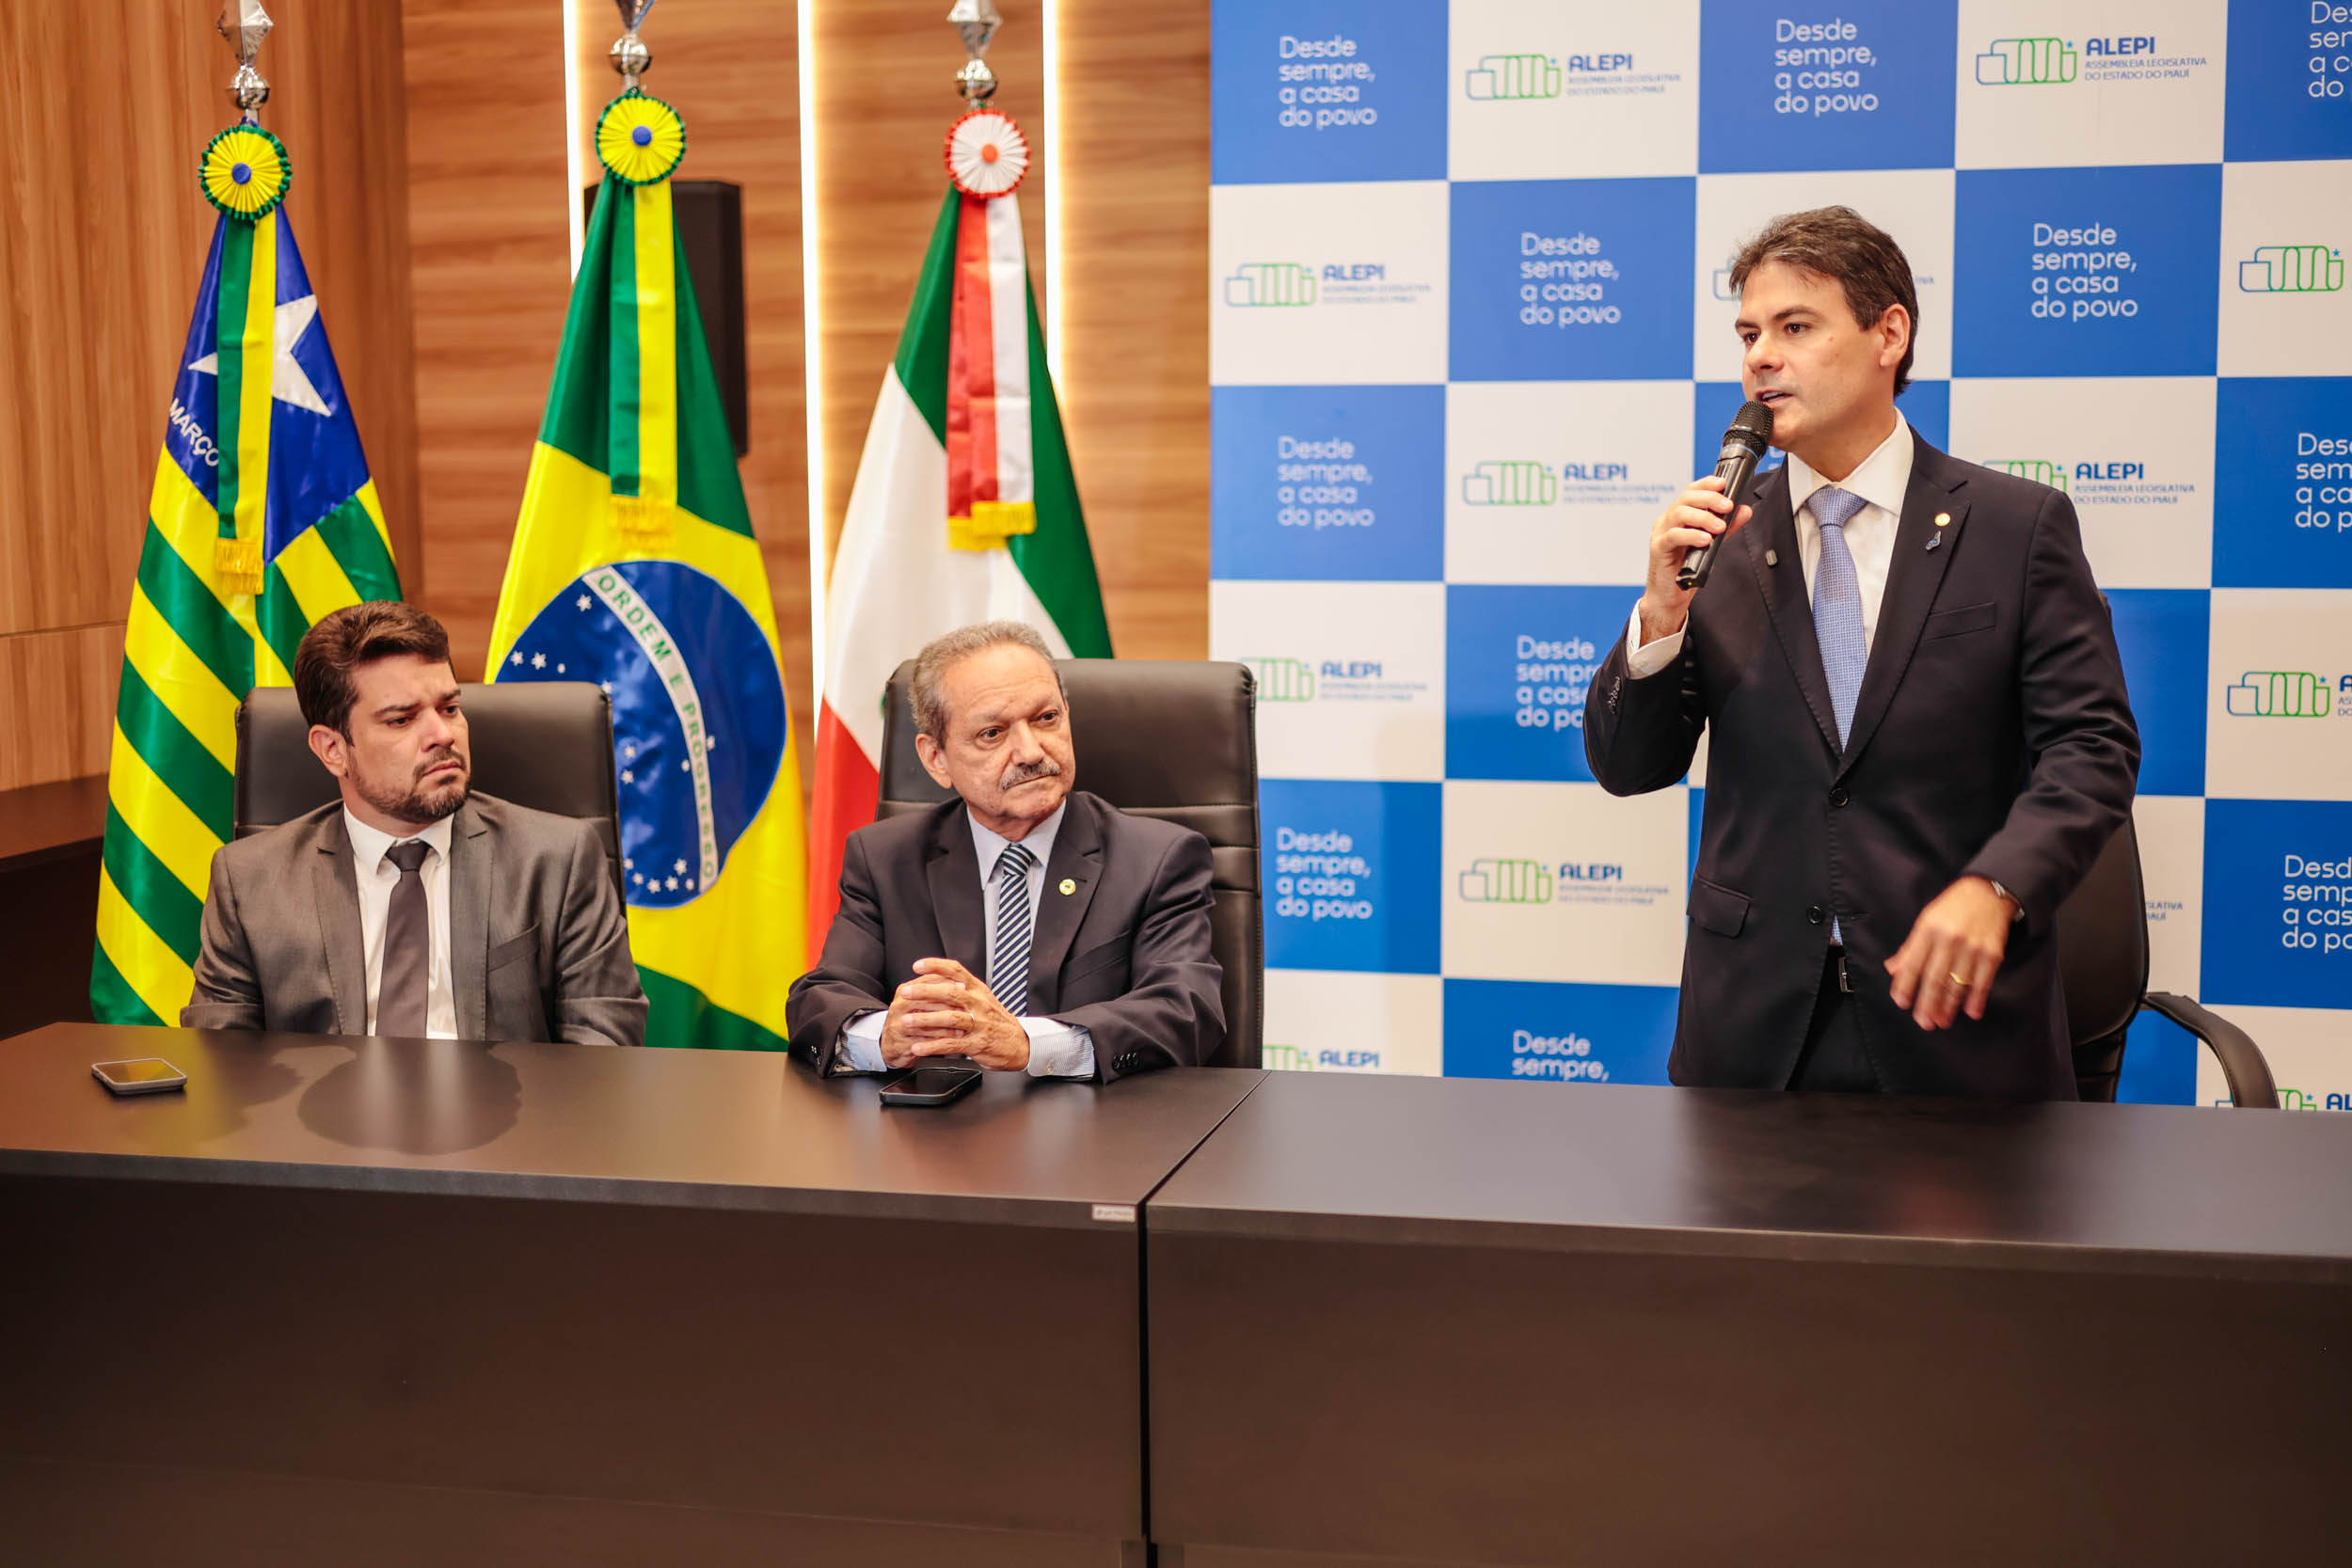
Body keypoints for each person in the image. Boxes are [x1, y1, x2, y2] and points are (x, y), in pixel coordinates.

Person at [1583, 206, 2138, 1099]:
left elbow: (2092, 749)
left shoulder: (2015, 527)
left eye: (1796, 327)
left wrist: (1996, 886)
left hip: (1957, 1030)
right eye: (1749, 334)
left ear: (1890, 334)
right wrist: (1659, 613)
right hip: (1752, 1039)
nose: (1762, 357)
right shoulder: (1721, 538)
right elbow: (1629, 766)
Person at [183, 601, 647, 1048]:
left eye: (449, 708)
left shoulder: (560, 860)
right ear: (333, 750)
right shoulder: (249, 881)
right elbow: (224, 1064)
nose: (443, 735)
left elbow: (602, 1049)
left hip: (511, 1103)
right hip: (322, 1103)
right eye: (402, 720)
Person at [789, 622, 1224, 1080]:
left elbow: (1185, 1011)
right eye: (993, 733)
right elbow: (820, 1000)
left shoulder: (1157, 859)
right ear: (936, 759)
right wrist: (886, 1037)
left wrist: (1027, 1045)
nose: (1031, 751)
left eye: (1046, 718)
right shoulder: (885, 860)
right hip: (935, 1121)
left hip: (1098, 1119)